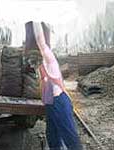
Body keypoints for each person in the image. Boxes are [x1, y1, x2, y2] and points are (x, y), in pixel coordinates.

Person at [32, 22, 83, 150]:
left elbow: (40, 41)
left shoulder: (50, 60)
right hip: (51, 103)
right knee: (52, 135)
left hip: (59, 101)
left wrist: (35, 20)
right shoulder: (41, 65)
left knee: (69, 136)